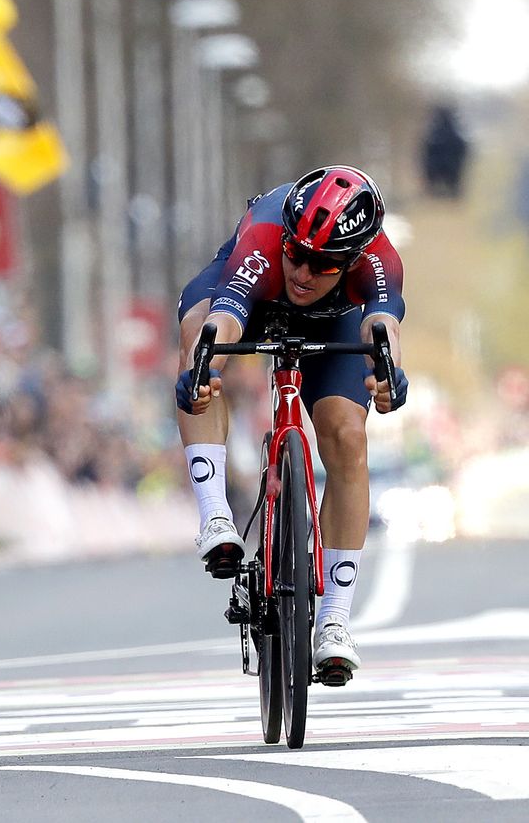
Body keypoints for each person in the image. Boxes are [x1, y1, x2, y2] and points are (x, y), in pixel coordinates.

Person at [174, 165, 408, 684]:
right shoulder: (266, 236)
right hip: (253, 295)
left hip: (336, 319)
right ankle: (215, 517)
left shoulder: (379, 260)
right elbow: (228, 314)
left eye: (322, 264)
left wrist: (387, 370)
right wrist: (203, 366)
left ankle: (335, 621)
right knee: (199, 338)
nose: (303, 272)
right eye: (298, 254)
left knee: (347, 435)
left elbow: (381, 325)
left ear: (352, 259)